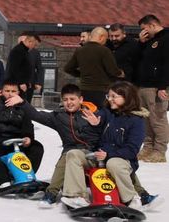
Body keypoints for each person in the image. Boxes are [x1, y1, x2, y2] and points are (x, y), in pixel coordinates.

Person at [60, 81, 148, 209]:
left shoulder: (136, 121)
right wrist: (95, 124)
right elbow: (96, 124)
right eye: (109, 96)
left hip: (121, 160)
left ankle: (131, 199)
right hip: (98, 157)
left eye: (114, 96)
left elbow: (132, 149)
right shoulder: (107, 113)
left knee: (114, 163)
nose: (110, 99)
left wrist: (108, 155)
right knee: (74, 154)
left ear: (127, 97)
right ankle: (77, 196)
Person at [0, 81, 44, 188]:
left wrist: (28, 137)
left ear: (18, 92)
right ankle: (3, 179)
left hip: (16, 140)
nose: (10, 93)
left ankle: (26, 176)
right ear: (2, 91)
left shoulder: (22, 105)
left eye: (13, 91)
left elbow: (28, 125)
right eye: (7, 91)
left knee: (37, 148)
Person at [134, 14, 169, 163]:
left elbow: (167, 64)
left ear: (152, 25)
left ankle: (160, 150)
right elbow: (138, 60)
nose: (143, 32)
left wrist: (163, 86)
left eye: (144, 29)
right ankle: (148, 146)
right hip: (144, 85)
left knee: (158, 119)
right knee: (146, 119)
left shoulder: (166, 38)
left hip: (157, 86)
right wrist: (141, 43)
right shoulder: (150, 41)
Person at [63, 27, 123, 106]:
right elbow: (113, 71)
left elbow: (67, 68)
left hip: (84, 90)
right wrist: (121, 73)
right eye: (106, 38)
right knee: (101, 115)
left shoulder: (80, 50)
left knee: (86, 114)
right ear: (101, 37)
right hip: (101, 91)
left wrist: (80, 74)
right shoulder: (104, 50)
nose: (106, 41)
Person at [6, 33, 39, 101]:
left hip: (23, 85)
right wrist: (20, 82)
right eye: (35, 45)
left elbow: (25, 68)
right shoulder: (18, 51)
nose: (35, 47)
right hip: (18, 86)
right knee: (18, 106)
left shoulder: (25, 51)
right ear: (30, 42)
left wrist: (29, 82)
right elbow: (14, 68)